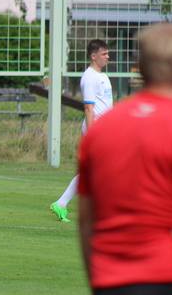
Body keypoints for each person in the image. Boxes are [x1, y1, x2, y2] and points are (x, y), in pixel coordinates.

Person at [78, 23, 172, 294]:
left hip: (111, 281)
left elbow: (86, 219)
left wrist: (98, 278)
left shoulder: (99, 131)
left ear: (139, 66)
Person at [50, 39, 112, 222]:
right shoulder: (90, 77)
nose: (108, 57)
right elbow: (88, 108)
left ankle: (61, 204)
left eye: (108, 53)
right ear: (93, 56)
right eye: (104, 54)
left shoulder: (102, 76)